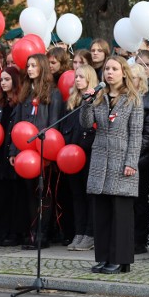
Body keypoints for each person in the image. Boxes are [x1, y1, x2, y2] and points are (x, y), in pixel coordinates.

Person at [81, 56, 143, 274]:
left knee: (120, 213)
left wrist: (131, 162)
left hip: (122, 160)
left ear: (123, 72)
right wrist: (86, 103)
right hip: (100, 159)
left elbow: (136, 134)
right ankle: (104, 257)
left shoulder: (132, 99)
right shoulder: (99, 97)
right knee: (102, 213)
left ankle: (120, 259)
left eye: (114, 69)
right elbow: (87, 125)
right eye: (107, 69)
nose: (109, 72)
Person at [9, 54, 63, 249]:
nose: (30, 69)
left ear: (42, 68)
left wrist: (49, 153)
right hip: (25, 153)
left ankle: (42, 233)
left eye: (33, 65)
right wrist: (14, 151)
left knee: (44, 192)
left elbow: (54, 123)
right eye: (28, 65)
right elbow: (18, 124)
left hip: (43, 151)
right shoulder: (25, 92)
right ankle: (32, 231)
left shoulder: (53, 93)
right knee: (30, 193)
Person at [61, 65, 98, 251]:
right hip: (71, 154)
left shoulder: (96, 101)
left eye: (82, 77)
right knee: (76, 195)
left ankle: (90, 234)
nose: (77, 80)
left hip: (89, 152)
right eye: (76, 76)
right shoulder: (71, 101)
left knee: (89, 194)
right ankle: (79, 231)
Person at [0, 67, 23, 247]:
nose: (3, 83)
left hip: (12, 153)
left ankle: (14, 232)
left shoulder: (20, 103)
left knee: (14, 195)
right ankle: (1, 230)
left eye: (7, 79)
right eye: (1, 80)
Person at [129, 63, 149, 254]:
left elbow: (147, 136)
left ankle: (140, 239)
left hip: (141, 159)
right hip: (123, 158)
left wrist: (132, 155)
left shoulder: (147, 102)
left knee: (140, 202)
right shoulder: (123, 100)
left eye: (133, 78)